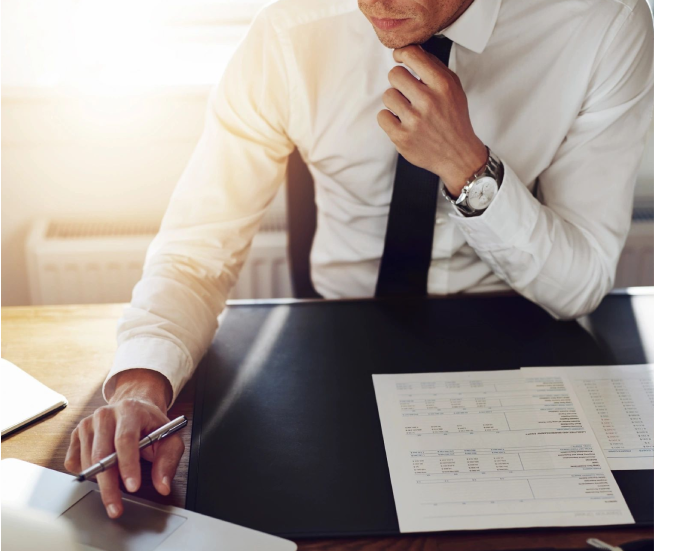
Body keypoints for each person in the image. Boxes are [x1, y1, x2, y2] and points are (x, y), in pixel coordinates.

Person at [64, 0, 654, 518]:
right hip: (328, 352)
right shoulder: (289, 32)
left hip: (517, 348)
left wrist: (469, 169)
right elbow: (197, 250)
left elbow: (581, 283)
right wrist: (141, 385)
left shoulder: (604, 21)